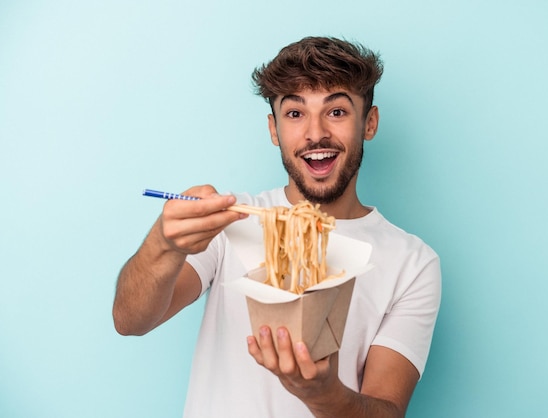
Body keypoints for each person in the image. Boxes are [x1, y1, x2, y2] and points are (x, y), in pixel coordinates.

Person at [113, 36, 441, 418]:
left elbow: (387, 411)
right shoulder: (232, 220)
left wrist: (323, 394)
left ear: (369, 123)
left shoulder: (412, 262)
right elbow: (131, 321)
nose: (315, 133)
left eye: (336, 112)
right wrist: (163, 246)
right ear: (274, 130)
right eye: (295, 114)